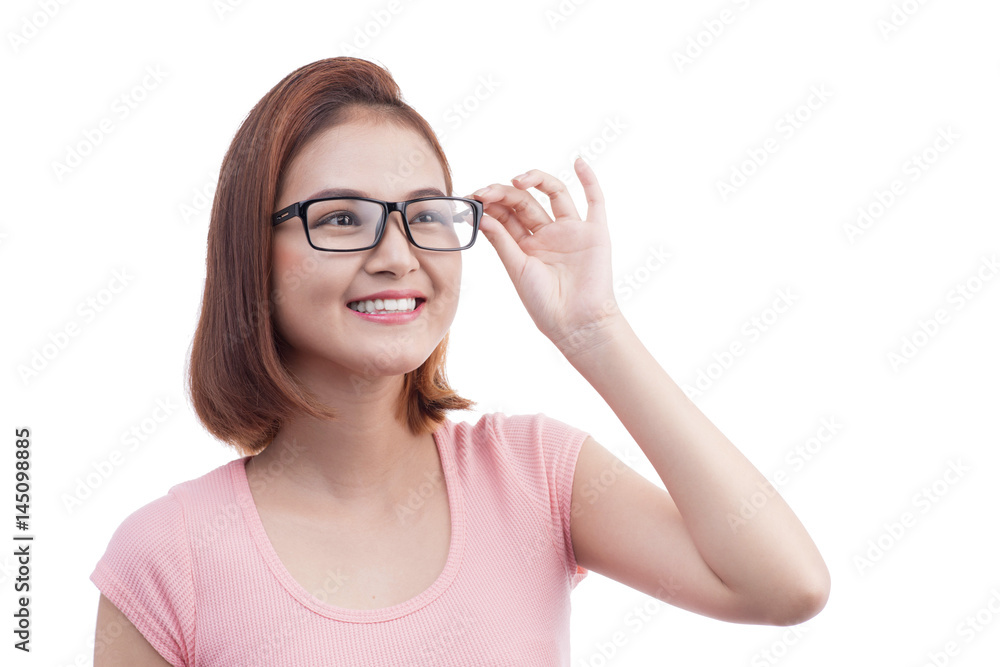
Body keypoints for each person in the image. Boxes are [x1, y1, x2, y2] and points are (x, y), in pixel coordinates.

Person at [90, 56, 830, 666]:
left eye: (423, 215)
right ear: (253, 253)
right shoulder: (167, 556)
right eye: (342, 218)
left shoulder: (534, 473)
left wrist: (594, 330)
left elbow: (786, 585)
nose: (396, 256)